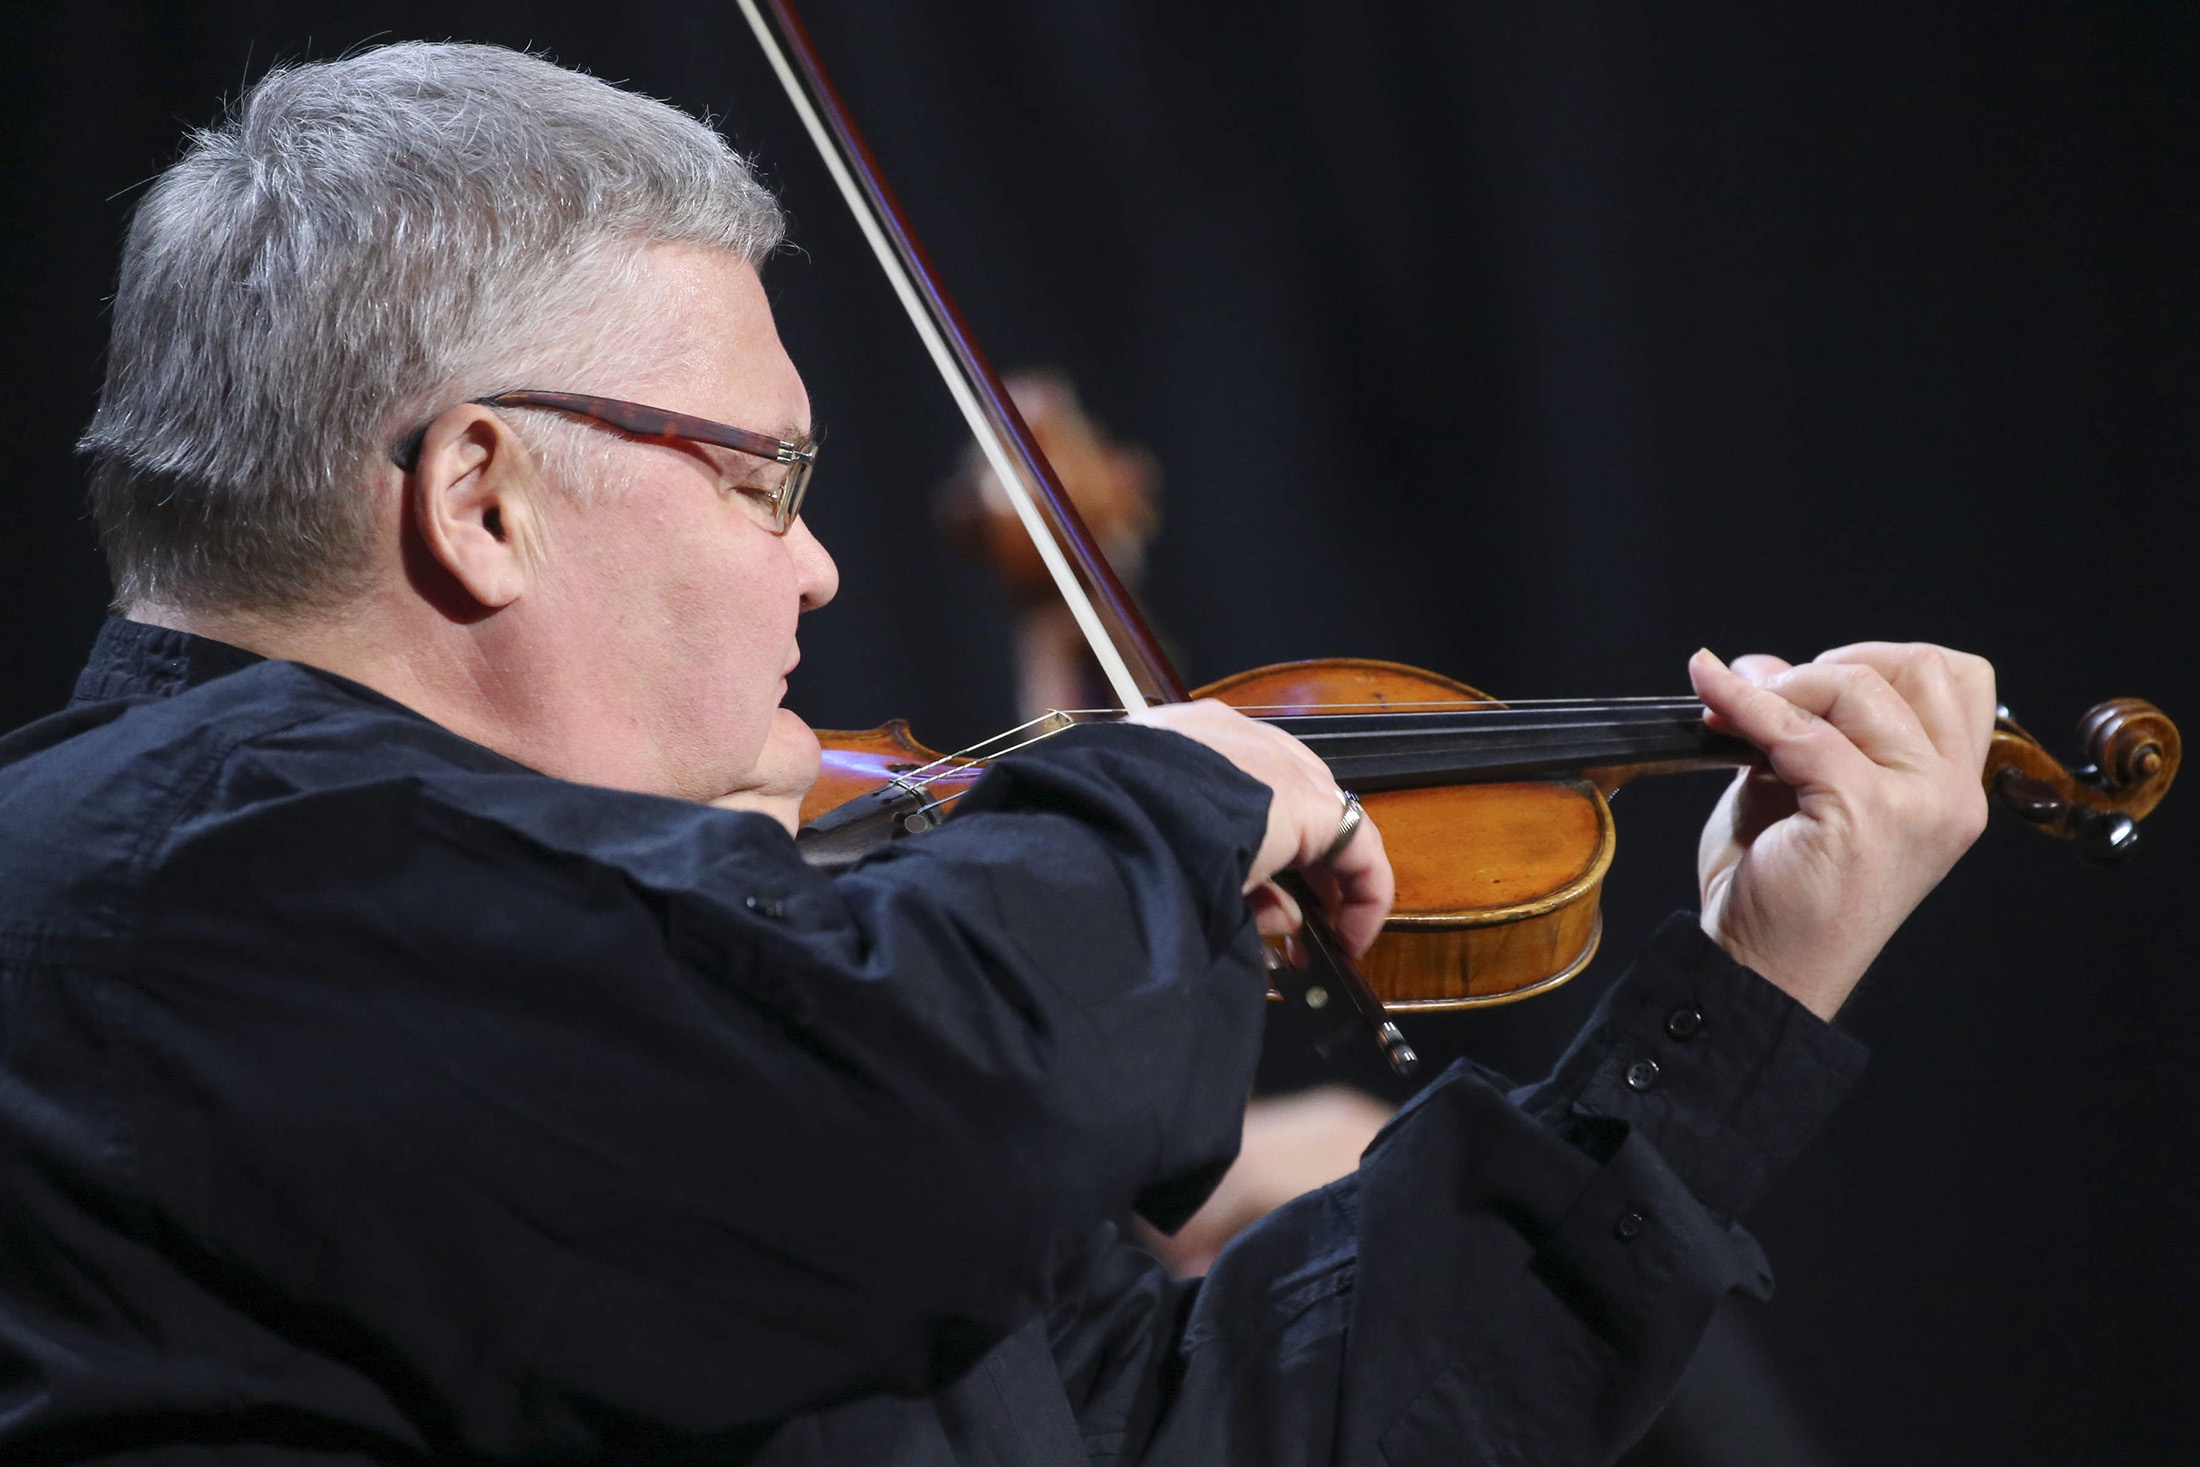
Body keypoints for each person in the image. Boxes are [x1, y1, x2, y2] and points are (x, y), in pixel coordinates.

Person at [0, 42, 1997, 1466]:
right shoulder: (165, 886)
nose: (819, 566)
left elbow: (1206, 1426)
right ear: (485, 495)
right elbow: (938, 1104)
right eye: (763, 481)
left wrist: (1742, 990)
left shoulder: (625, 966)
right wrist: (1180, 786)